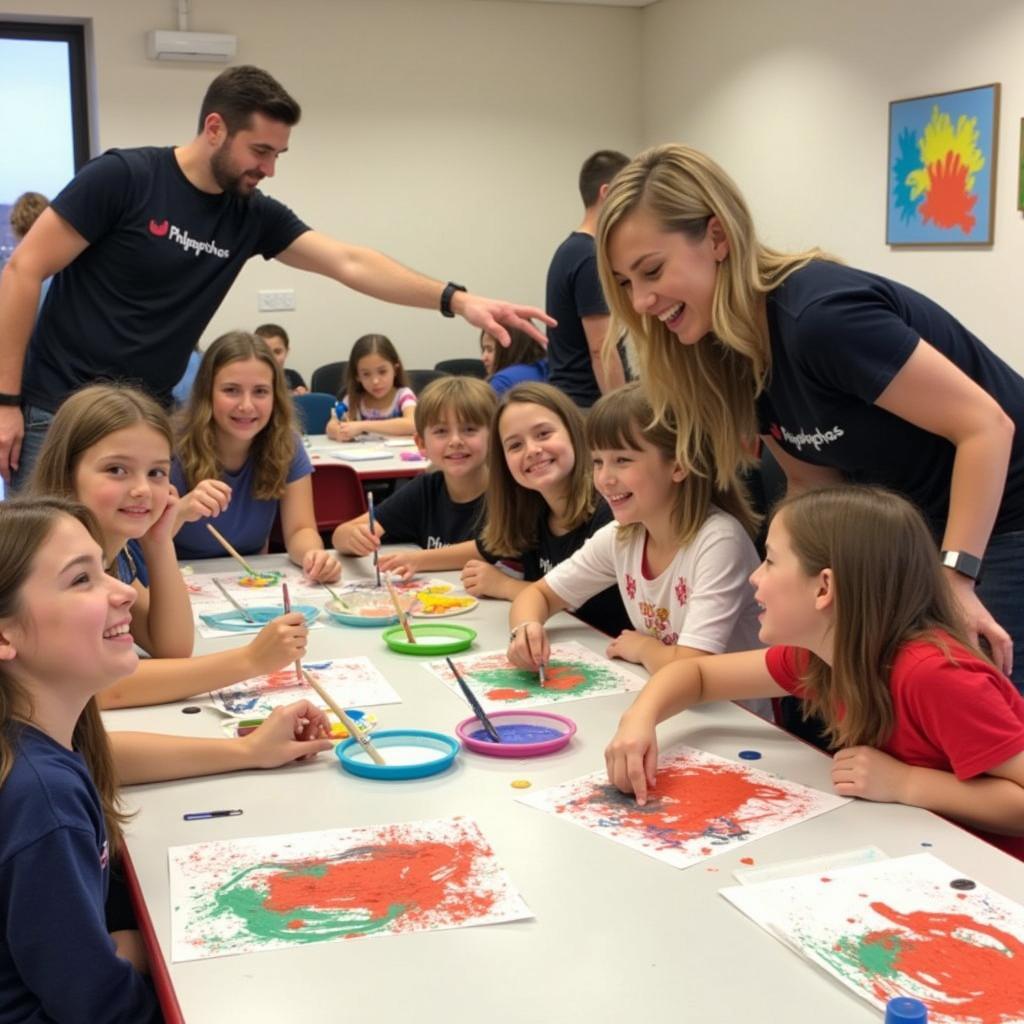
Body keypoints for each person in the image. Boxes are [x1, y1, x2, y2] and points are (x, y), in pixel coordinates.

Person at [597, 143, 1024, 691]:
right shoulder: (729, 353)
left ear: (718, 237)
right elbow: (809, 481)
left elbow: (986, 428)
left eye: (651, 271)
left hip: (1003, 510)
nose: (641, 301)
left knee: (980, 692)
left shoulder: (819, 318)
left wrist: (957, 577)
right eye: (625, 284)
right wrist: (788, 579)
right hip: (915, 527)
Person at [0, 64, 553, 487]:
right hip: (57, 408)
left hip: (148, 417)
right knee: (37, 572)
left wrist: (456, 299)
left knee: (122, 574)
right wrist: (5, 403)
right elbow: (24, 270)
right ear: (214, 128)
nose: (268, 168)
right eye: (260, 150)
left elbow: (349, 261)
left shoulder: (250, 215)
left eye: (278, 153)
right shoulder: (125, 177)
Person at [0, 496, 334, 1021]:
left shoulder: (49, 736)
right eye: (81, 580)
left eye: (105, 570)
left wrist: (249, 750)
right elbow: (94, 1004)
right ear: (5, 634)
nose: (122, 593)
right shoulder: (42, 796)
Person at [604, 486, 1024, 860]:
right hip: (917, 848)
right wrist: (638, 720)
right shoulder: (822, 655)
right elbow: (696, 675)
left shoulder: (934, 674)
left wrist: (907, 783)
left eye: (769, 560)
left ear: (824, 588)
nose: (755, 576)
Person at [28, 383, 310, 709]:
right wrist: (249, 661)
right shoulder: (51, 560)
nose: (142, 489)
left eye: (157, 472)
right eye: (116, 470)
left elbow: (171, 646)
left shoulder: (113, 551)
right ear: (67, 472)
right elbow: (97, 687)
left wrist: (159, 542)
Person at [507, 383, 762, 680]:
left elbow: (691, 669)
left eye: (622, 461)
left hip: (735, 718)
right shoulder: (623, 535)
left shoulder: (718, 541)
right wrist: (526, 629)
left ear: (679, 465)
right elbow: (538, 594)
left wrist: (642, 648)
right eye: (598, 462)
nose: (604, 479)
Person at [170, 330, 341, 581]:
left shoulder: (287, 444)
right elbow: (138, 545)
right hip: (180, 580)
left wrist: (314, 557)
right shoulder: (171, 448)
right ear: (207, 392)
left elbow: (300, 529)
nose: (247, 405)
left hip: (250, 581)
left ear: (275, 396)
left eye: (260, 391)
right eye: (231, 390)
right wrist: (181, 511)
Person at [463, 382, 630, 637]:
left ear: (575, 433)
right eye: (515, 445)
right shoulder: (530, 512)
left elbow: (574, 605)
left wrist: (505, 586)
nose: (532, 450)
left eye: (543, 434)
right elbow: (485, 547)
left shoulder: (611, 510)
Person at [333, 376, 495, 577]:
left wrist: (418, 560)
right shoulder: (426, 489)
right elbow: (341, 534)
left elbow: (492, 547)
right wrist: (352, 538)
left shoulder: (506, 493)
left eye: (469, 430)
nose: (455, 441)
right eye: (441, 431)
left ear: (494, 436)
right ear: (421, 444)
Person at [545, 150, 629, 408]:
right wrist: (622, 413)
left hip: (573, 399)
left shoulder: (571, 250)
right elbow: (601, 349)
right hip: (588, 406)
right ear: (607, 192)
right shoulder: (589, 256)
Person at [325, 334, 416, 439]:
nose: (375, 381)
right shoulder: (353, 400)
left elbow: (412, 424)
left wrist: (362, 426)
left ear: (395, 369)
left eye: (382, 372)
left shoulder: (404, 395)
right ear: (357, 376)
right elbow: (330, 427)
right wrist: (340, 432)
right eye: (366, 374)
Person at [480, 326, 549, 394]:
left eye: (490, 350)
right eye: (483, 350)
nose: (483, 358)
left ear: (509, 349)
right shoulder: (546, 368)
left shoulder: (501, 382)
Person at [255, 322, 307, 393]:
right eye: (265, 352)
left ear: (286, 352)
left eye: (277, 352)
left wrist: (303, 396)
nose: (271, 358)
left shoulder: (293, 377)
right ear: (254, 352)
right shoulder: (248, 378)